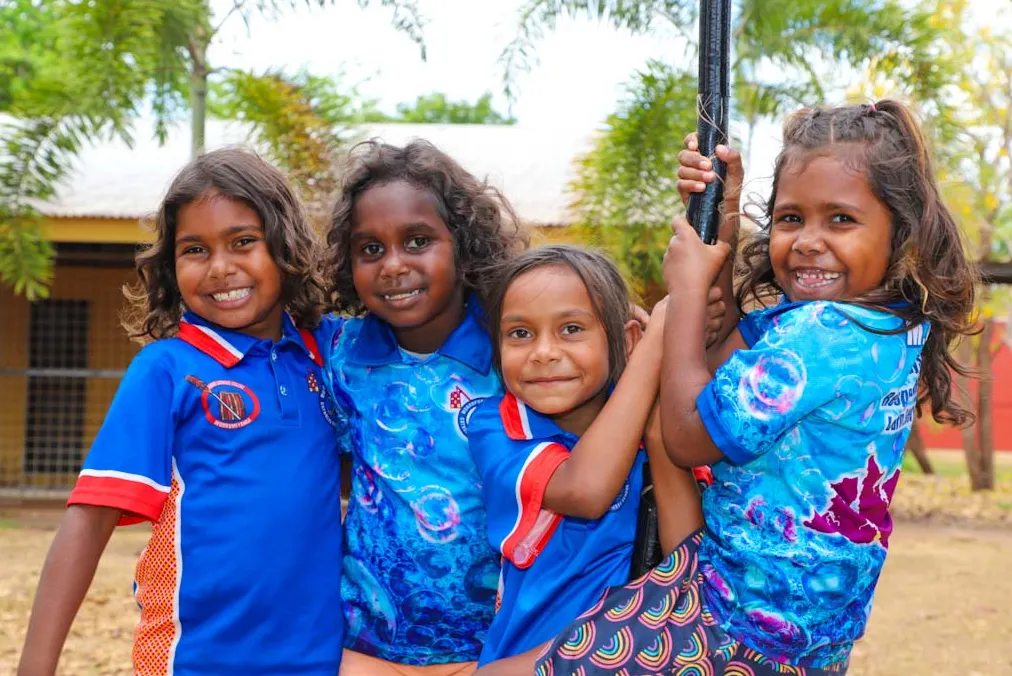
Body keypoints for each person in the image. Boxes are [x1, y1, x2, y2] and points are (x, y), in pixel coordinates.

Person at [524, 100, 979, 675]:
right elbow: (714, 361)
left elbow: (689, 435)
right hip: (803, 629)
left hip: (737, 623)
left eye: (840, 219)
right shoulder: (889, 325)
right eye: (791, 218)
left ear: (902, 231)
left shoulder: (820, 333)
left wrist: (686, 289)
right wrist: (723, 219)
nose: (809, 240)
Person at [17, 148, 345, 676]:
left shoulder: (333, 355)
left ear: (284, 247)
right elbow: (89, 521)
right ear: (171, 267)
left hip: (328, 661)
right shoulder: (168, 370)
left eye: (244, 242)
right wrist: (36, 666)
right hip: (195, 660)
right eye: (195, 249)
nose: (221, 268)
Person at [323, 139, 528, 676]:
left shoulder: (515, 348)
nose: (393, 265)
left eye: (417, 241)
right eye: (370, 249)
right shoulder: (342, 356)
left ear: (463, 245)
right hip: (364, 647)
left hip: (490, 648)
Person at [467, 245, 708, 667]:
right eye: (520, 333)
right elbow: (586, 490)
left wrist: (655, 428)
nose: (543, 352)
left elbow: (686, 559)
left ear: (626, 339)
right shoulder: (498, 426)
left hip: (633, 657)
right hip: (527, 660)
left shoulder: (649, 421)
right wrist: (655, 347)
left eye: (571, 329)